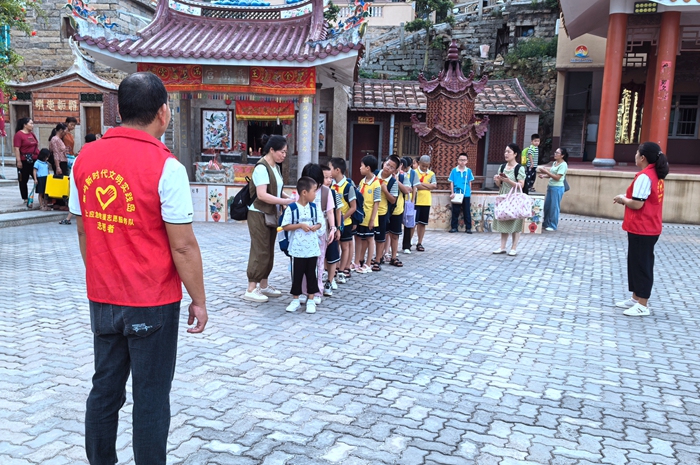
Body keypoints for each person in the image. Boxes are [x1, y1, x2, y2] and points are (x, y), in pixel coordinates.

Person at [68, 71, 207, 465]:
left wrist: (102, 275)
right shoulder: (167, 167)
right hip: (152, 301)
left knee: (104, 389)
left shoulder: (85, 159)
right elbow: (182, 246)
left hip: (103, 299)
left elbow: (83, 229)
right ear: (163, 112)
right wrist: (199, 300)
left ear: (120, 111)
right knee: (150, 396)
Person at [613, 142, 669, 317]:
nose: (635, 155)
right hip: (646, 226)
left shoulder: (645, 176)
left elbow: (637, 204)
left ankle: (643, 304)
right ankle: (636, 298)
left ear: (643, 157)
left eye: (637, 153)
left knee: (642, 265)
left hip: (643, 227)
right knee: (635, 262)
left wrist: (622, 199)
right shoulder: (655, 174)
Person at [244, 134, 294, 302]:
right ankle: (251, 288)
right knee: (260, 249)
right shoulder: (261, 168)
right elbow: (262, 195)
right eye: (282, 152)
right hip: (258, 213)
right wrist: (284, 201)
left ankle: (264, 285)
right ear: (272, 150)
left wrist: (288, 199)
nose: (284, 155)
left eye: (286, 152)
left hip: (271, 214)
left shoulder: (275, 167)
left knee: (269, 250)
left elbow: (277, 190)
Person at [282, 176, 323, 314]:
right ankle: (295, 299)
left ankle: (311, 299)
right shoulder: (292, 208)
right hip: (297, 248)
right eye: (314, 191)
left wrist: (316, 227)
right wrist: (299, 225)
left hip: (312, 248)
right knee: (297, 274)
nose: (315, 194)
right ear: (304, 192)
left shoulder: (314, 208)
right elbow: (285, 226)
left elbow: (320, 223)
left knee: (311, 274)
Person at [299, 163, 336, 305]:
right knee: (303, 262)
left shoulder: (326, 192)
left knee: (319, 263)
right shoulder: (301, 190)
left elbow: (330, 212)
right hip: (303, 232)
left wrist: (333, 228)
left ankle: (316, 291)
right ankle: (303, 291)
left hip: (320, 233)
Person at [492, 143, 526, 256]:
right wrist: (497, 180)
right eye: (505, 151)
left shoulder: (519, 168)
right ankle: (502, 247)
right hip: (503, 196)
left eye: (509, 152)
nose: (506, 154)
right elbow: (499, 185)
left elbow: (521, 185)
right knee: (503, 220)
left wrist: (508, 181)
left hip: (515, 198)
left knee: (515, 223)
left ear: (515, 154)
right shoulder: (502, 167)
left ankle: (513, 247)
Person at [329, 157, 357, 283]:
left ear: (337, 170)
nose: (329, 171)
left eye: (330, 168)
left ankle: (342, 270)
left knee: (345, 246)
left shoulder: (348, 186)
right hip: (333, 223)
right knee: (335, 246)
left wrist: (340, 219)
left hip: (345, 223)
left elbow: (353, 207)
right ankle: (335, 268)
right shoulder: (330, 185)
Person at [373, 155, 401, 270]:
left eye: (391, 167)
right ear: (384, 163)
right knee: (368, 237)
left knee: (381, 236)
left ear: (394, 171)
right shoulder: (374, 174)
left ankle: (378, 259)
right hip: (370, 211)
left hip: (383, 211)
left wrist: (385, 191)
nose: (388, 168)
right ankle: (368, 258)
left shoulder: (393, 182)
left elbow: (393, 200)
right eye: (387, 164)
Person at [355, 155, 381, 273]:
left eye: (362, 166)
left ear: (368, 168)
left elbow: (377, 203)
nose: (360, 168)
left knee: (370, 239)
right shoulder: (362, 181)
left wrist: (372, 219)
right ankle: (358, 261)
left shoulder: (376, 183)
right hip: (361, 216)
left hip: (370, 217)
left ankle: (368, 263)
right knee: (359, 238)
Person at [387, 157, 412, 267]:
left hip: (397, 209)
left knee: (395, 235)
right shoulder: (382, 176)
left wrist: (396, 181)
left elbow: (407, 190)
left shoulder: (402, 177)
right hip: (384, 209)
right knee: (384, 234)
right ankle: (381, 255)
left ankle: (393, 257)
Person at [322, 165, 342, 294]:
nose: (329, 180)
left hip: (331, 229)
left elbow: (338, 212)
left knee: (332, 255)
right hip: (319, 229)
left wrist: (337, 228)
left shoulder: (334, 193)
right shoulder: (315, 193)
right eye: (325, 178)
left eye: (330, 178)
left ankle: (330, 280)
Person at [538, 147, 569, 231]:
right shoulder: (555, 163)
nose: (555, 154)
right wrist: (544, 175)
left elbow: (557, 177)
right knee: (547, 206)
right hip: (550, 186)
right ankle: (546, 223)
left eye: (557, 153)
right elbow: (552, 175)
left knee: (554, 207)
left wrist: (546, 172)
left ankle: (553, 225)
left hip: (558, 188)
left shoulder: (563, 165)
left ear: (562, 155)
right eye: (555, 152)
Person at [13, 117, 39, 206]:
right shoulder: (19, 135)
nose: (32, 125)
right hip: (24, 160)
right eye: (31, 123)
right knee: (23, 180)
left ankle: (41, 196)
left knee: (38, 178)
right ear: (25, 125)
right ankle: (25, 198)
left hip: (34, 159)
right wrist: (18, 161)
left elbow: (36, 146)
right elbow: (16, 149)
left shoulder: (32, 134)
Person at [414, 154, 437, 252]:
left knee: (422, 224)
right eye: (423, 165)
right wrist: (428, 186)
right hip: (415, 201)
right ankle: (408, 242)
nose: (424, 168)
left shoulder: (431, 174)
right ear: (419, 163)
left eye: (426, 166)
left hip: (426, 201)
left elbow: (434, 186)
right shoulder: (414, 172)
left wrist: (421, 184)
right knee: (413, 223)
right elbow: (415, 186)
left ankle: (419, 242)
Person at [448, 152, 475, 233]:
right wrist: (452, 192)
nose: (462, 162)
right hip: (457, 193)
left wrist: (469, 192)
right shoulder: (454, 171)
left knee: (467, 211)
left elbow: (470, 182)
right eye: (461, 160)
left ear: (467, 161)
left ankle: (468, 228)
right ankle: (454, 227)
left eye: (464, 160)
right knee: (455, 211)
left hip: (466, 194)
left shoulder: (468, 171)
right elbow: (451, 182)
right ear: (458, 160)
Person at [401, 157, 418, 254]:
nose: (404, 169)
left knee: (408, 223)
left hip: (408, 200)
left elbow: (414, 187)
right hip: (399, 200)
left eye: (406, 167)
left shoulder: (413, 173)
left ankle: (406, 245)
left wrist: (412, 200)